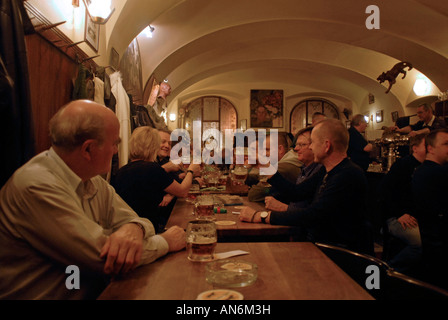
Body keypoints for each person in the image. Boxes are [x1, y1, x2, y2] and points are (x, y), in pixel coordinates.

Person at [0, 100, 186, 299]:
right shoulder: (36, 185)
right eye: (114, 143)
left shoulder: (93, 181)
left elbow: (138, 221)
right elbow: (103, 257)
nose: (116, 151)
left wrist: (135, 228)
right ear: (87, 150)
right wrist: (165, 242)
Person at [240, 119, 372, 254]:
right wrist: (265, 166)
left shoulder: (348, 174)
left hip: (342, 254)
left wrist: (261, 216)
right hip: (322, 245)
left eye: (313, 142)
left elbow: (313, 215)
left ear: (326, 146)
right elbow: (297, 193)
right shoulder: (326, 170)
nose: (310, 147)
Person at [112, 126, 200, 233]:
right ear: (152, 146)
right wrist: (191, 170)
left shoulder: (123, 170)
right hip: (147, 231)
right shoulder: (152, 168)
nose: (166, 146)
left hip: (125, 229)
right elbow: (182, 191)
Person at [379, 133, 426, 274]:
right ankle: (388, 270)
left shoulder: (430, 167)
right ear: (415, 148)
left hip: (415, 217)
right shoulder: (403, 165)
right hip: (395, 218)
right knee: (420, 243)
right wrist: (399, 214)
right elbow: (384, 193)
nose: (430, 148)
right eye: (426, 145)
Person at [412, 129, 448, 289]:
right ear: (431, 149)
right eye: (446, 144)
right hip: (439, 246)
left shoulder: (422, 170)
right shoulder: (436, 172)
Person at [248, 132, 302, 201]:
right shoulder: (289, 161)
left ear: (280, 149)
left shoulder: (282, 167)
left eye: (267, 149)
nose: (264, 153)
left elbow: (254, 195)